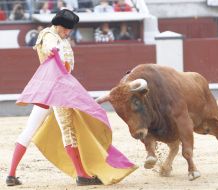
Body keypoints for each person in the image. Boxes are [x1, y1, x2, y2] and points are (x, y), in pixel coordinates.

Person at [6, 8, 137, 187]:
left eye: (69, 30)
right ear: (58, 25)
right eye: (66, 29)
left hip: (49, 91)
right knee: (67, 130)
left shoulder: (61, 37)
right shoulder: (49, 35)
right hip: (59, 91)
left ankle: (11, 175)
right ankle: (82, 175)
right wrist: (52, 49)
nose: (68, 33)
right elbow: (49, 45)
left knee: (30, 130)